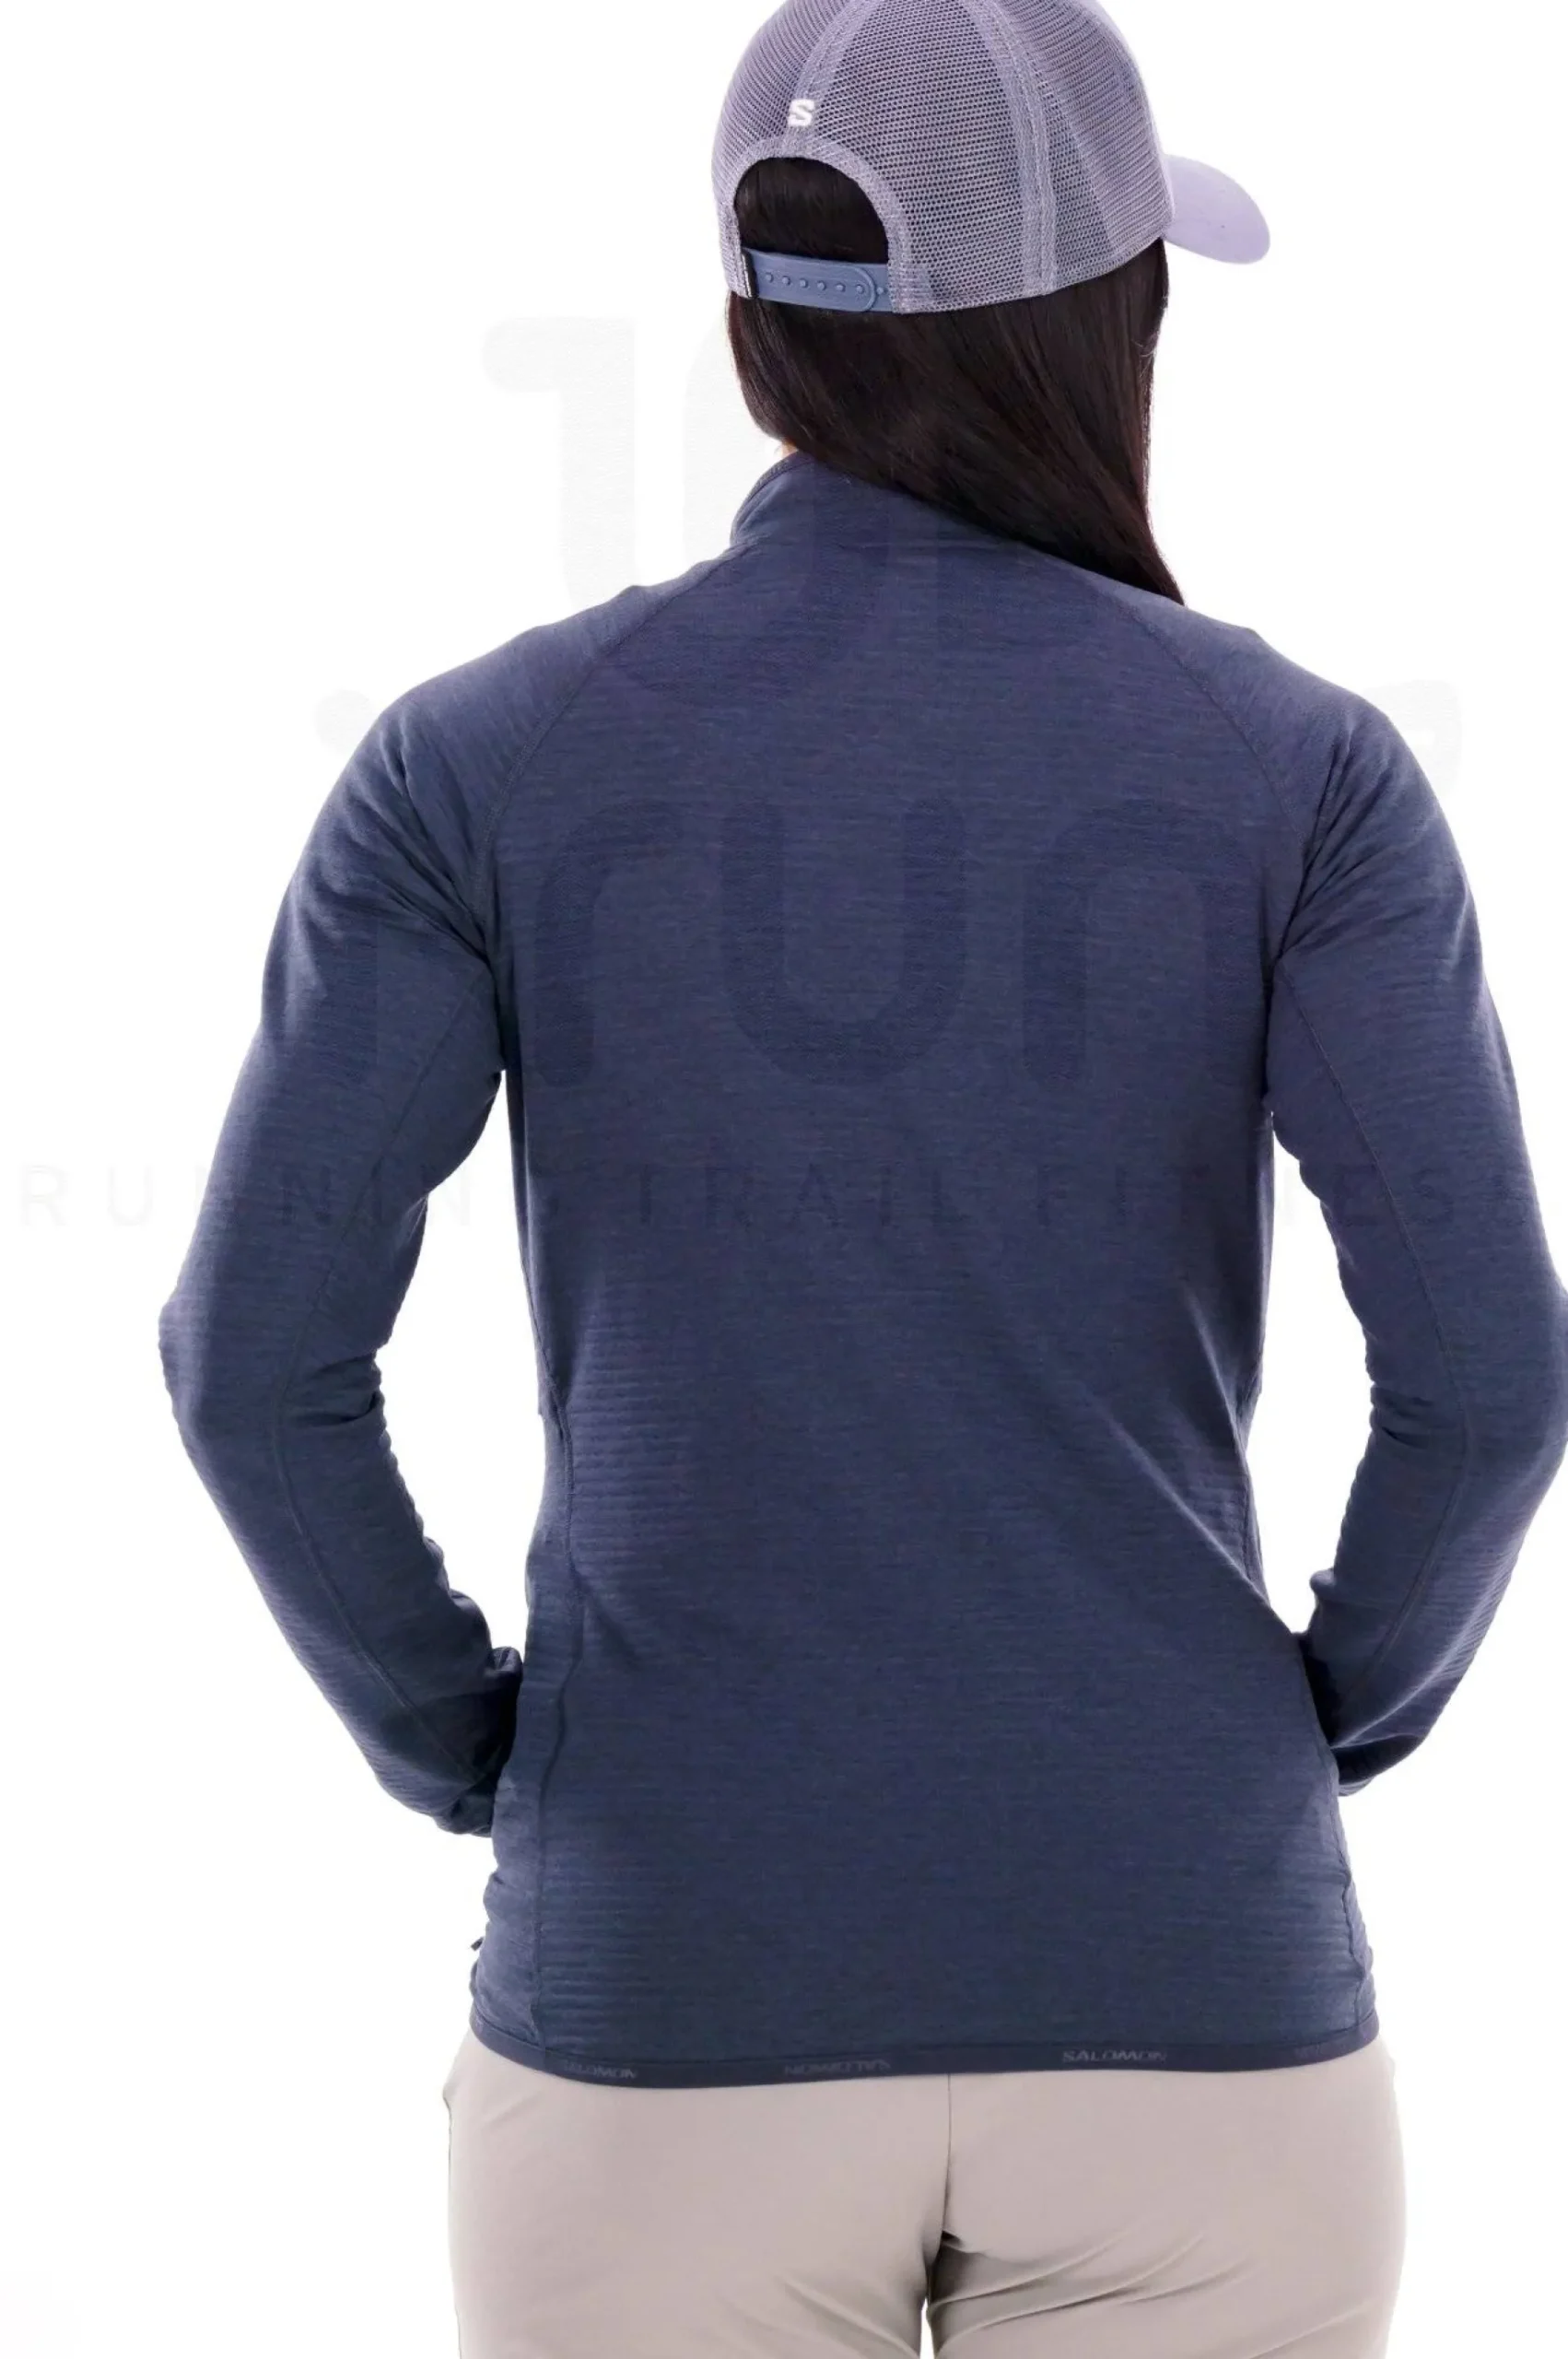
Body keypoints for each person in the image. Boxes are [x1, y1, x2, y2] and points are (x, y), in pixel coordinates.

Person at [157, 3, 1568, 2353]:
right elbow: (1489, 1377)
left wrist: (476, 1745)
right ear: (1106, 319)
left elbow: (252, 1363)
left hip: (658, 2001)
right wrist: (1300, 1724)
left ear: (753, 329)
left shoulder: (473, 763)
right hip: (1195, 1999)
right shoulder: (1299, 769)